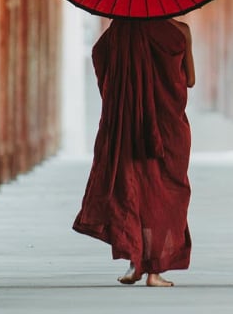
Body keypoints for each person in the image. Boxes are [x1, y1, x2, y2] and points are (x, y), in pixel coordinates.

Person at [72, 18, 195, 287]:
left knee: (133, 191)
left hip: (130, 125)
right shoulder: (180, 30)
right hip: (169, 126)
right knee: (165, 194)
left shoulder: (120, 30)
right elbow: (191, 81)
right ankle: (155, 270)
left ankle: (135, 263)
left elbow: (100, 60)